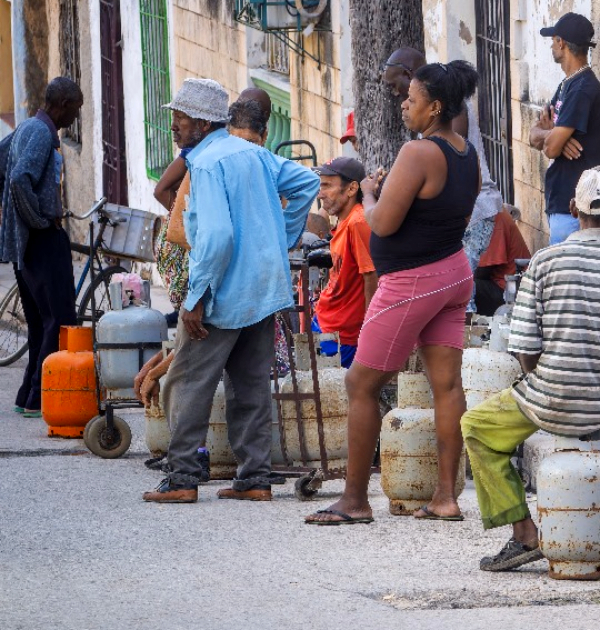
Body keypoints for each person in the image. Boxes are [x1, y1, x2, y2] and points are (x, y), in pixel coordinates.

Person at [306, 60, 481, 525]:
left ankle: (354, 501)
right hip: (452, 273)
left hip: (412, 280)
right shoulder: (465, 152)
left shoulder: (418, 152)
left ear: (435, 106)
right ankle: (446, 496)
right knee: (446, 386)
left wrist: (368, 191)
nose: (404, 104)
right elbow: (448, 212)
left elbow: (381, 222)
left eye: (412, 98)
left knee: (361, 382)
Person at [460, 167, 600, 571]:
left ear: (573, 209)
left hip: (552, 397)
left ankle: (524, 534)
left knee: (476, 428)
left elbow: (524, 347)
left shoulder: (546, 261)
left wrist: (540, 379)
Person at [142, 79, 318, 503]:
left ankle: (183, 478)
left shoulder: (205, 164)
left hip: (226, 291)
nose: (174, 127)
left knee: (187, 381)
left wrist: (195, 298)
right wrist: (281, 240)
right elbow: (307, 185)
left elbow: (216, 237)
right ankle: (253, 478)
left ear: (203, 124)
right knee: (249, 384)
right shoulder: (256, 154)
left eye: (180, 119)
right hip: (264, 286)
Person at [381, 46, 514, 315]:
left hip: (473, 211)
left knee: (458, 291)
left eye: (397, 86)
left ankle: (468, 350)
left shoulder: (450, 110)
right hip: (459, 212)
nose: (397, 95)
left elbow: (451, 161)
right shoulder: (428, 114)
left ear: (409, 75)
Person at [0, 77, 84, 419]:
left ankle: (28, 396)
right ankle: (42, 397)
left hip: (30, 242)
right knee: (60, 320)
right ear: (61, 105)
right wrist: (36, 219)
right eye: (75, 110)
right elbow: (19, 177)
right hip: (41, 239)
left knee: (41, 322)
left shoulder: (29, 128)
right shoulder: (39, 133)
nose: (75, 118)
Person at [529, 12, 600, 245]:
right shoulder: (568, 84)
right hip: (565, 205)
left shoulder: (582, 88)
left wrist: (555, 138)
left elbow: (551, 149)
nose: (552, 46)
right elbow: (534, 136)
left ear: (561, 42)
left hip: (576, 207)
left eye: (553, 40)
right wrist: (552, 134)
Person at [311, 157, 376, 368]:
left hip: (344, 335)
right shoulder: (344, 221)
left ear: (351, 189)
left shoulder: (358, 222)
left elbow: (371, 276)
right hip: (326, 322)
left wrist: (370, 328)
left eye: (327, 186)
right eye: (320, 186)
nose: (320, 194)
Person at [472, 209, 531, 316]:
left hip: (510, 292)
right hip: (500, 284)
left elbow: (481, 272)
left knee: (458, 287)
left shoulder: (491, 218)